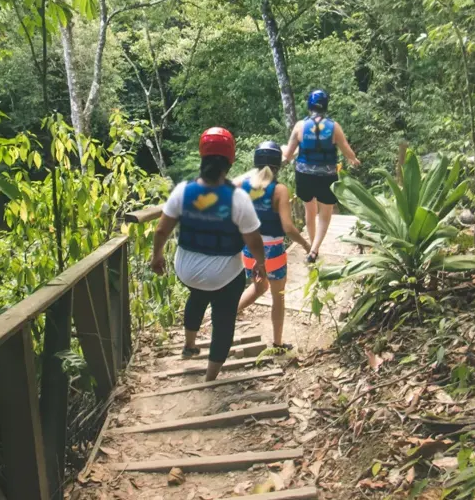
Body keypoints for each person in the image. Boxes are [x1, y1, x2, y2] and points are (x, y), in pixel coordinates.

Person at [150, 127, 268, 381]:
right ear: (231, 160)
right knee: (224, 316)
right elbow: (254, 241)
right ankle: (210, 377)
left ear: (202, 156)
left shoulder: (182, 191)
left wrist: (156, 257)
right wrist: (260, 264)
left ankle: (189, 345)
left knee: (198, 294)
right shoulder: (238, 199)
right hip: (224, 277)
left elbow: (161, 231)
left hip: (186, 272)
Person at [235, 141, 311, 353]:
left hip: (249, 248)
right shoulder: (279, 190)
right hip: (273, 250)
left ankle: (226, 317)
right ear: (278, 164)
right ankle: (277, 343)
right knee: (278, 296)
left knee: (260, 287)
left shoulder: (243, 185)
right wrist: (306, 244)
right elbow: (288, 227)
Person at [283, 89, 360, 263]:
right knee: (325, 214)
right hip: (326, 176)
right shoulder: (334, 127)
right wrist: (354, 160)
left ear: (309, 105)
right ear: (325, 106)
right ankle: (315, 249)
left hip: (304, 175)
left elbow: (287, 156)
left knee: (310, 211)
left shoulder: (300, 126)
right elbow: (348, 152)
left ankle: (311, 246)